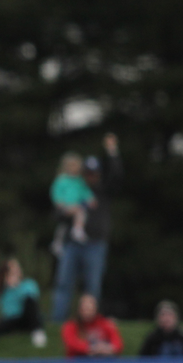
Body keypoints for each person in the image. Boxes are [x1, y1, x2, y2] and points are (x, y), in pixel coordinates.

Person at [50, 136, 122, 322]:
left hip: (96, 244)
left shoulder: (102, 190)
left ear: (98, 173)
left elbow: (116, 175)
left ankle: (92, 322)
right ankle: (58, 321)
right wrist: (67, 210)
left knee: (93, 287)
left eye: (94, 172)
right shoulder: (73, 186)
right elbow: (57, 211)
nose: (91, 176)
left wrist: (112, 151)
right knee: (64, 283)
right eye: (87, 172)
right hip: (71, 243)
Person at [61, 293, 122, 358]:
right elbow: (72, 343)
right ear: (79, 309)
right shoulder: (70, 325)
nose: (87, 312)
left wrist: (107, 348)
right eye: (85, 309)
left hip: (101, 360)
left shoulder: (105, 323)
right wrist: (92, 348)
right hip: (78, 361)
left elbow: (118, 343)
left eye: (90, 309)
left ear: (95, 309)